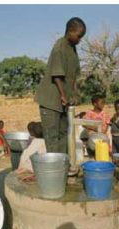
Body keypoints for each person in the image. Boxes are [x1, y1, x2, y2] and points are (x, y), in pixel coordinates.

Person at [34, 17, 86, 155]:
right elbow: (57, 75)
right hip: (51, 102)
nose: (80, 40)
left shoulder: (72, 49)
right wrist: (63, 96)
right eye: (78, 36)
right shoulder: (60, 47)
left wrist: (75, 94)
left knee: (64, 134)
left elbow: (74, 75)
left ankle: (63, 166)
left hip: (63, 102)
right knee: (52, 137)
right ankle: (55, 172)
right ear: (70, 31)